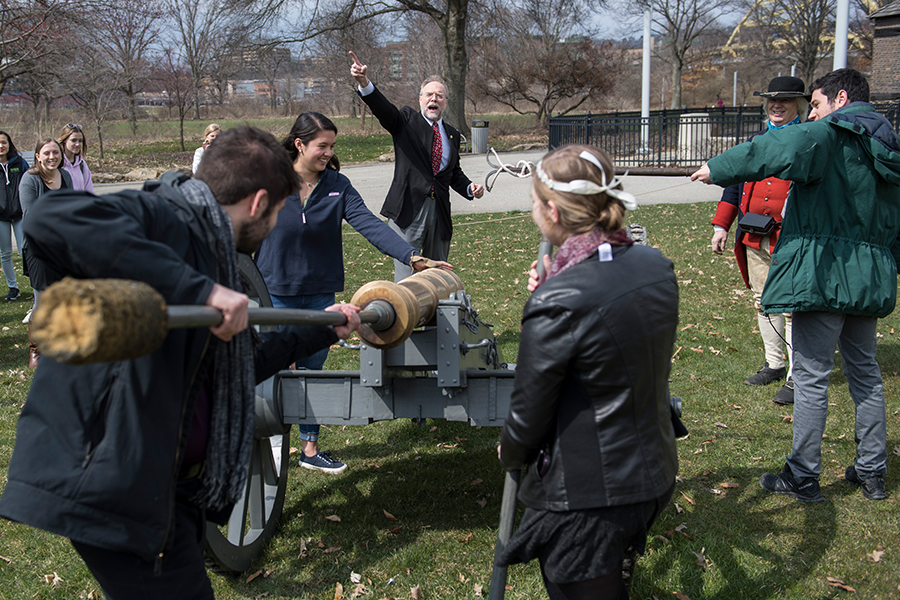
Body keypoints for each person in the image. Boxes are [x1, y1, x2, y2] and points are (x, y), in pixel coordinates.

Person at [0, 126, 362, 599]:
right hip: (114, 484)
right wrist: (200, 291)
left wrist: (317, 327)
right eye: (275, 213)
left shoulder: (215, 254)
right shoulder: (168, 214)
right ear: (256, 204)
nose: (274, 226)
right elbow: (50, 217)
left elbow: (233, 369)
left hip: (173, 490)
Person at [692, 68, 900, 502]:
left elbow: (778, 144)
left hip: (825, 271)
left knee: (810, 375)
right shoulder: (888, 144)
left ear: (840, 99)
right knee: (866, 373)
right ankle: (872, 471)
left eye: (818, 104)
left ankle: (802, 474)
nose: (814, 113)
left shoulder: (830, 133)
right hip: (868, 276)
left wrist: (718, 167)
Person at [498, 145, 679, 599]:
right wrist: (556, 288)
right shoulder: (655, 265)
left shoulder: (559, 301)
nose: (532, 211)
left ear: (553, 211)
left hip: (588, 493)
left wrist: (510, 451)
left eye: (535, 203)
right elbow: (608, 330)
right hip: (652, 470)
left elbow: (528, 411)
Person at [255, 112, 451, 474]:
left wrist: (411, 256)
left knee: (313, 370)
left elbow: (369, 224)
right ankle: (273, 440)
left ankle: (310, 449)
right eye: (322, 146)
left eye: (332, 146)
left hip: (319, 293)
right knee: (275, 367)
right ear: (299, 144)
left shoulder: (338, 186)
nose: (329, 152)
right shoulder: (269, 182)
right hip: (274, 292)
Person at [709, 76, 809, 405]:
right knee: (763, 302)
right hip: (755, 235)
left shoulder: (808, 140)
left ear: (800, 105)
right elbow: (734, 186)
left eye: (785, 100)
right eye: (772, 100)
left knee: (793, 308)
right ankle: (775, 364)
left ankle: (798, 374)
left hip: (792, 238)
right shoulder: (757, 140)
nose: (776, 106)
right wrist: (721, 225)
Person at [349, 50, 485, 282]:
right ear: (420, 99)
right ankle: (407, 317)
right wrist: (365, 83)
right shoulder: (406, 121)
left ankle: (436, 318)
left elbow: (453, 174)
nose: (434, 99)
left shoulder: (451, 134)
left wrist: (470, 188)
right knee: (408, 277)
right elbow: (384, 110)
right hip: (408, 211)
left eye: (439, 96)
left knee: (438, 277)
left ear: (446, 102)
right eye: (429, 95)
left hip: (439, 215)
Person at [19, 138, 73, 368]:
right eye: (47, 153)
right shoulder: (30, 179)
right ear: (38, 156)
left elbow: (72, 207)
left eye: (56, 153)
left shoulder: (66, 176)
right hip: (38, 248)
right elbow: (31, 217)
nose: (52, 157)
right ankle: (37, 350)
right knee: (42, 298)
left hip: (64, 246)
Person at [0, 130, 28, 301]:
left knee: (25, 251)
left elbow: (30, 182)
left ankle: (35, 285)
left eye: (4, 142)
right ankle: (13, 288)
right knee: (5, 253)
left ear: (9, 144)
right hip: (1, 217)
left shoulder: (20, 162)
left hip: (19, 214)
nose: (1, 146)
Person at [58, 123, 94, 193]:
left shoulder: (82, 164)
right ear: (64, 140)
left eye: (80, 141)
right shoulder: (58, 164)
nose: (77, 144)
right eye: (73, 140)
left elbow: (89, 190)